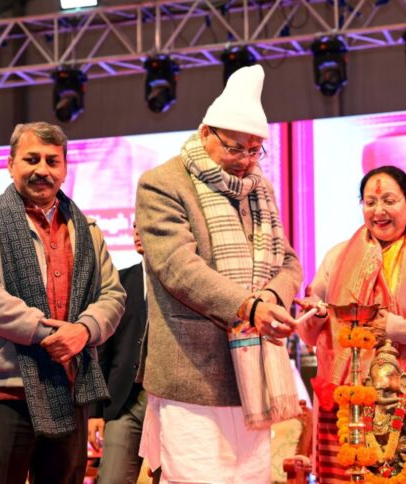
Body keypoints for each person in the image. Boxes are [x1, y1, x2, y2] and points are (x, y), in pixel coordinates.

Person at [135, 65, 303, 483]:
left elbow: (289, 262)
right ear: (206, 132)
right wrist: (249, 307)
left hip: (255, 377)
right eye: (236, 148)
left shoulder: (260, 190)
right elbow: (179, 268)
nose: (246, 161)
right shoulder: (162, 183)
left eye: (255, 150)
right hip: (192, 375)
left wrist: (270, 300)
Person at [0, 121, 127, 484]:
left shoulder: (87, 229)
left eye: (52, 161)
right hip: (3, 391)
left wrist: (83, 332)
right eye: (31, 159)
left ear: (65, 168)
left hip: (70, 388)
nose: (42, 170)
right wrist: (50, 334)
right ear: (10, 164)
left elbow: (113, 295)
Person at [296, 165, 406, 483]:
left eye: (389, 201)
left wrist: (394, 327)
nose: (378, 211)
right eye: (370, 202)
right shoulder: (337, 257)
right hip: (350, 401)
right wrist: (318, 317)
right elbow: (310, 334)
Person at [88, 221, 148, 483]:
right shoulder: (118, 284)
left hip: (171, 401)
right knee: (112, 478)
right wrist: (95, 412)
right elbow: (101, 352)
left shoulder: (180, 285)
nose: (137, 232)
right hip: (124, 401)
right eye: (134, 226)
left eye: (144, 225)